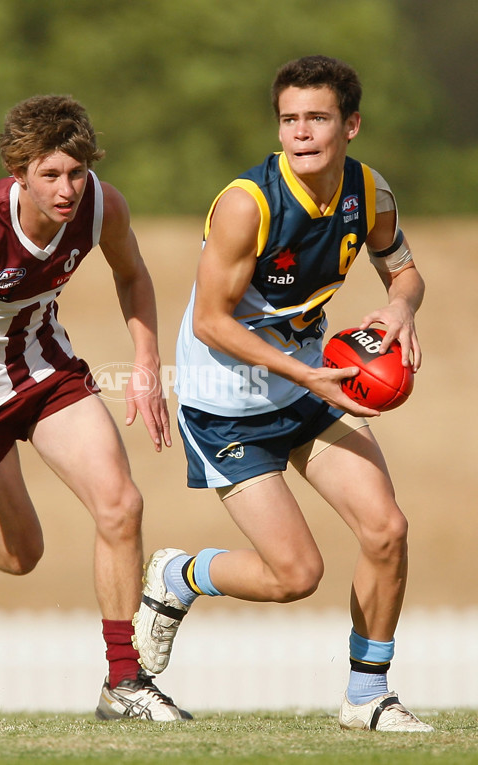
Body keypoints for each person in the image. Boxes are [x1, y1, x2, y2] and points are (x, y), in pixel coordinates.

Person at [133, 56, 433, 732]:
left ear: (350, 125)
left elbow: (404, 270)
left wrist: (402, 308)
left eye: (317, 118)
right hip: (226, 403)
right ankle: (180, 576)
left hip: (307, 379)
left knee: (387, 529)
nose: (301, 132)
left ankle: (366, 696)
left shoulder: (369, 192)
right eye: (290, 119)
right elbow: (211, 321)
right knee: (296, 575)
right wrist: (303, 373)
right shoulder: (249, 203)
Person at [0, 94, 191, 721]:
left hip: (46, 370)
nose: (68, 188)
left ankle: (124, 683)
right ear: (19, 171)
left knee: (121, 504)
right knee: (21, 556)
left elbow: (132, 275)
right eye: (50, 174)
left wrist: (144, 363)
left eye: (76, 172)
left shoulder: (102, 206)